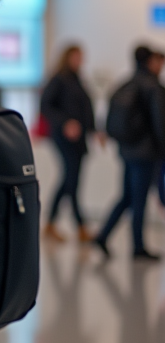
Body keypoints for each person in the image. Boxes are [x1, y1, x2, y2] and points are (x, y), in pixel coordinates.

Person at [93, 45, 165, 261]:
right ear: (150, 61)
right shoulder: (153, 87)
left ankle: (103, 236)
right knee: (139, 199)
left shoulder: (125, 84)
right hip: (147, 153)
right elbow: (160, 122)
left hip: (127, 150)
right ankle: (138, 247)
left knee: (127, 196)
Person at [40, 44, 99, 242]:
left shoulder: (78, 80)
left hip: (79, 139)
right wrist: (65, 123)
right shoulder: (59, 79)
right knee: (71, 180)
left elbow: (85, 109)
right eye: (76, 57)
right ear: (67, 57)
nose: (80, 61)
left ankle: (51, 224)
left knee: (70, 180)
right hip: (63, 138)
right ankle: (80, 226)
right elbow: (46, 106)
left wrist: (94, 130)